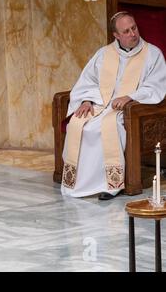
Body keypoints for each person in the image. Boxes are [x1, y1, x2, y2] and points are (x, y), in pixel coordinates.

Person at [61, 11, 166, 200]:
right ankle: (76, 182)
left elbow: (156, 86)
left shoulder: (152, 54)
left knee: (109, 128)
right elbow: (88, 80)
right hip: (100, 105)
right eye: (126, 31)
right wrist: (86, 100)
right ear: (116, 36)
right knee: (78, 123)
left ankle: (111, 185)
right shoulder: (104, 53)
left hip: (129, 109)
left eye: (134, 28)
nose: (133, 34)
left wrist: (131, 96)